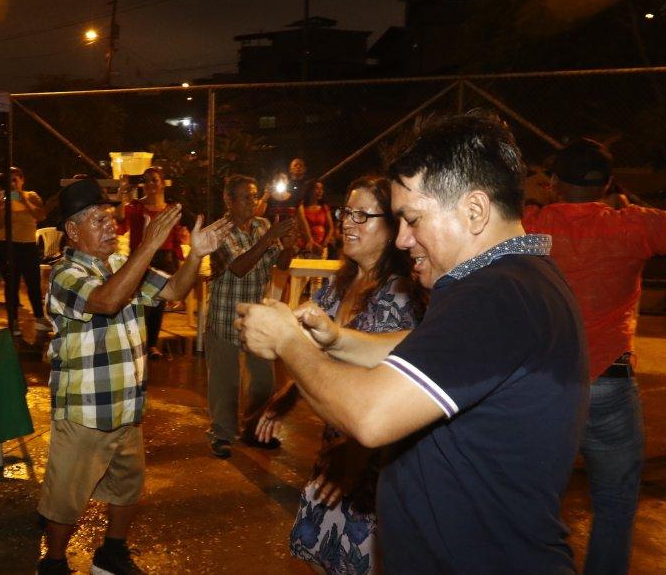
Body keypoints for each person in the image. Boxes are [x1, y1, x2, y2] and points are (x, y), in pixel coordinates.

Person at [235, 113, 588, 573]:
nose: (402, 239)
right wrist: (337, 339)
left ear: (475, 211)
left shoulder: (497, 296)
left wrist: (287, 341)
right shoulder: (510, 282)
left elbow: (371, 416)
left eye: (412, 219)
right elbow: (426, 349)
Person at [37, 178, 231, 575]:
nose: (110, 225)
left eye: (110, 217)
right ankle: (54, 563)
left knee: (127, 486)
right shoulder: (64, 273)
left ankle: (111, 554)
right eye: (97, 219)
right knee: (65, 499)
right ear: (72, 231)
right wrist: (148, 246)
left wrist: (195, 255)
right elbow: (106, 300)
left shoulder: (119, 266)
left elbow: (175, 290)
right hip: (85, 410)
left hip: (127, 403)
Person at [254, 175, 422, 574]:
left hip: (374, 461)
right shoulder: (340, 282)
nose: (348, 222)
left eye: (363, 215)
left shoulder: (400, 295)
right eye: (347, 212)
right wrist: (285, 397)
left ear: (393, 226)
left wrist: (358, 456)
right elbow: (312, 349)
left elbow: (390, 390)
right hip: (336, 447)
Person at [523, 138, 666, 575]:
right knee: (616, 503)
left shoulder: (532, 226)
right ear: (607, 182)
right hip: (610, 384)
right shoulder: (633, 226)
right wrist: (623, 209)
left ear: (555, 183)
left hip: (543, 384)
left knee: (531, 503)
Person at [205, 174, 295, 459]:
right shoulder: (218, 232)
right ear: (228, 201)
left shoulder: (262, 225)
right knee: (225, 383)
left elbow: (280, 263)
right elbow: (238, 267)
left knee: (263, 381)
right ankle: (222, 435)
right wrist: (269, 238)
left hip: (256, 318)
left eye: (254, 196)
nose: (252, 202)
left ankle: (254, 429)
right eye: (245, 197)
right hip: (224, 316)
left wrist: (289, 244)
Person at [116, 167, 189, 360]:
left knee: (157, 304)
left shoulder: (171, 210)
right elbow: (121, 223)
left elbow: (175, 240)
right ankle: (138, 344)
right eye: (146, 180)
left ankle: (152, 345)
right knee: (141, 303)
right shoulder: (135, 207)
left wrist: (179, 269)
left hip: (164, 259)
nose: (150, 184)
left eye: (154, 180)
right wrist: (121, 197)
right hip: (142, 257)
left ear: (162, 183)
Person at [0, 167, 48, 332]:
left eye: (15, 179)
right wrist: (0, 206)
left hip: (28, 245)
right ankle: (13, 320)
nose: (13, 183)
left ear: (23, 180)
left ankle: (39, 317)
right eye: (9, 180)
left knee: (33, 283)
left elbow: (40, 215)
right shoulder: (1, 197)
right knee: (11, 284)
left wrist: (22, 197)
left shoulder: (31, 195)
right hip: (6, 245)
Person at [297, 180, 334, 258]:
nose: (320, 191)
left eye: (321, 189)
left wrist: (325, 243)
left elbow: (331, 228)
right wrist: (313, 244)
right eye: (317, 188)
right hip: (306, 246)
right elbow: (302, 228)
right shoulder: (302, 208)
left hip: (322, 247)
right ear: (310, 191)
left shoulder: (324, 207)